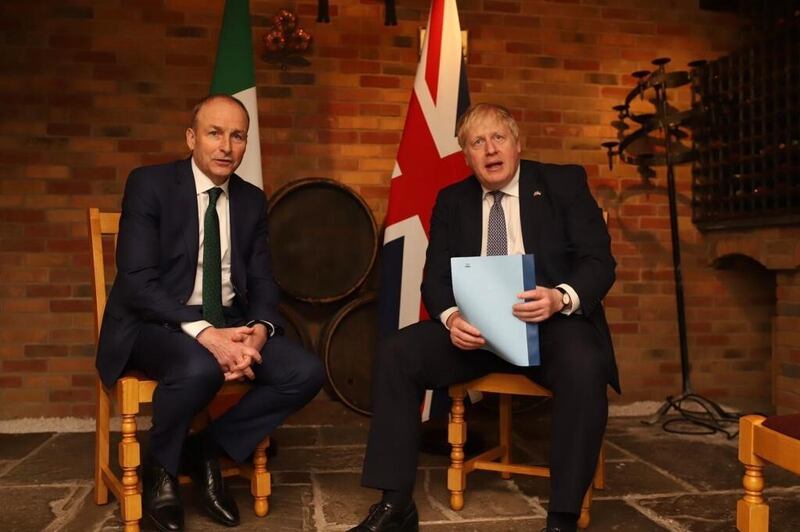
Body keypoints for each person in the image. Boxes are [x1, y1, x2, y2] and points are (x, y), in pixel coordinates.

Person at [350, 103, 619, 532]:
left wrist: (558, 298)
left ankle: (563, 516)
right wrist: (453, 317)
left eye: (499, 138)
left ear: (517, 143)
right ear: (466, 156)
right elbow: (434, 279)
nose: (490, 149)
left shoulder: (562, 182)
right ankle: (395, 503)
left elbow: (599, 263)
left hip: (550, 326)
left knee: (585, 364)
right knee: (397, 353)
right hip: (476, 335)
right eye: (477, 142)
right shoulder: (452, 200)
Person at [96, 94, 324, 532]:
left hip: (230, 319)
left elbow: (261, 280)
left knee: (304, 372)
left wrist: (259, 330)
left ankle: (204, 450)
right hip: (152, 321)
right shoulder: (150, 184)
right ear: (191, 137)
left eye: (237, 136)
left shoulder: (252, 200)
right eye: (214, 133)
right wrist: (205, 333)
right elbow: (136, 280)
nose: (226, 146)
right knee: (200, 367)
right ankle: (160, 469)